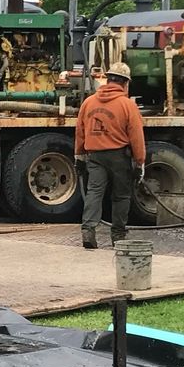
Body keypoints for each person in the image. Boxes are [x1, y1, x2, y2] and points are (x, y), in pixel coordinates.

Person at [74, 63, 146, 249]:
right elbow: (136, 136)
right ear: (125, 83)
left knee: (94, 193)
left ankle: (88, 231)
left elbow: (80, 132)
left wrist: (79, 156)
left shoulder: (88, 103)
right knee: (121, 196)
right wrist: (140, 163)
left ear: (108, 80)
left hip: (95, 156)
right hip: (118, 156)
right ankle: (118, 236)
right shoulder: (127, 105)